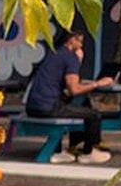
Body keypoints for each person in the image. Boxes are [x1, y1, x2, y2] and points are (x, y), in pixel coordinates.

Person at [25, 29, 114, 163]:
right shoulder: (70, 57)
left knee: (82, 106)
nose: (81, 46)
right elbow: (74, 89)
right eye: (80, 41)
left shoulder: (54, 53)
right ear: (71, 39)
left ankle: (66, 148)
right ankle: (89, 152)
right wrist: (98, 83)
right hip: (48, 107)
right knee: (94, 115)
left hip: (32, 107)